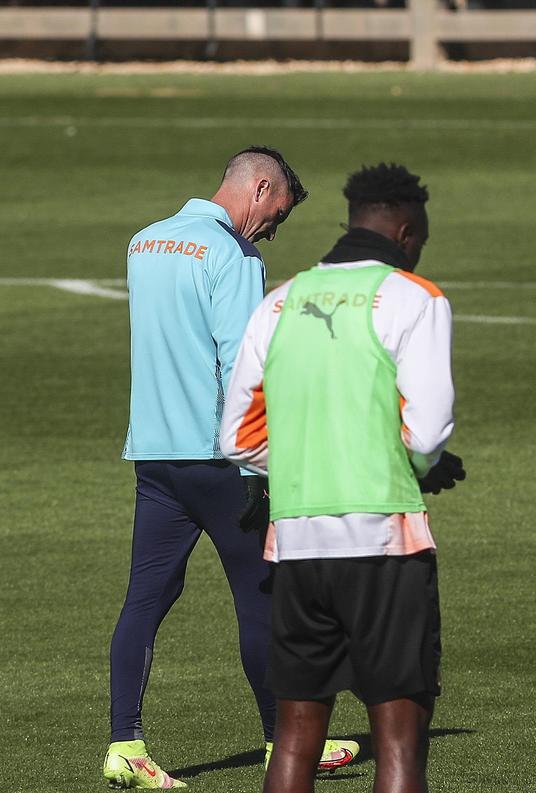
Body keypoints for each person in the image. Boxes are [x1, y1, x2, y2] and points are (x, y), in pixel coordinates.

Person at [107, 146, 358, 789]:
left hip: (156, 455)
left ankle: (124, 747)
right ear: (260, 187)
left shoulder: (146, 242)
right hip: (223, 460)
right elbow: (243, 364)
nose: (273, 229)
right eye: (275, 214)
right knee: (261, 597)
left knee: (147, 596)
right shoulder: (233, 254)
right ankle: (285, 746)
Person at [220, 163, 464, 793]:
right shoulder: (415, 298)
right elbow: (429, 433)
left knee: (296, 736)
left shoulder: (281, 301)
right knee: (399, 740)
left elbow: (238, 440)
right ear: (406, 232)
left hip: (297, 547)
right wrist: (408, 465)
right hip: (383, 543)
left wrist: (314, 460)